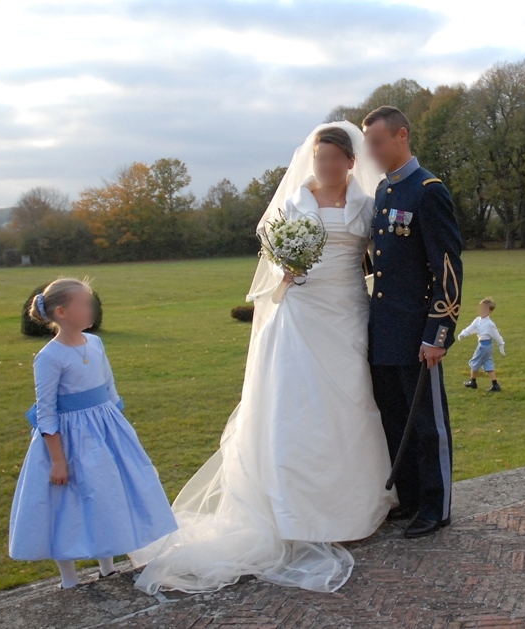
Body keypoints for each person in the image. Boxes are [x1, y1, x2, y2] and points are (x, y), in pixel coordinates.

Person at [129, 123, 396, 594]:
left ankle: (348, 508)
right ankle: (292, 511)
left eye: (335, 158)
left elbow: (379, 257)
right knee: (294, 407)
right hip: (299, 313)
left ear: (351, 162)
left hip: (346, 314)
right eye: (320, 159)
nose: (327, 166)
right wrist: (285, 267)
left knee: (350, 403)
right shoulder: (295, 201)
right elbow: (271, 249)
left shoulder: (367, 204)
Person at [9, 278, 176, 589]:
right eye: (84, 304)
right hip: (70, 439)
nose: (91, 309)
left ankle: (107, 566)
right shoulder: (49, 357)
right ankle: (69, 578)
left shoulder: (95, 344)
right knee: (67, 503)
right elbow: (46, 412)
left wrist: (118, 431)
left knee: (106, 494)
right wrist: (57, 461)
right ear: (61, 312)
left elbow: (109, 387)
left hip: (105, 431)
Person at [363, 106, 464, 540]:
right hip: (383, 329)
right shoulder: (385, 191)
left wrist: (437, 333)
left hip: (418, 332)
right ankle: (408, 497)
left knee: (427, 423)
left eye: (377, 142)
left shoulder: (428, 191)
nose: (370, 150)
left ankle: (435, 506)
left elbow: (447, 269)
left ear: (401, 136)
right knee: (394, 418)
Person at [458, 297, 506, 392]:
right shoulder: (478, 320)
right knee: (488, 363)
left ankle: (473, 382)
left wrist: (501, 344)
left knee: (474, 362)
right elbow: (471, 328)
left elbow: (496, 335)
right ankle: (495, 384)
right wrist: (463, 333)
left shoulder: (489, 324)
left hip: (484, 346)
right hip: (484, 346)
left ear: (490, 311)